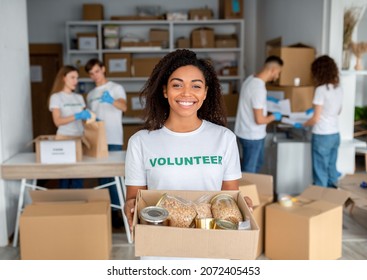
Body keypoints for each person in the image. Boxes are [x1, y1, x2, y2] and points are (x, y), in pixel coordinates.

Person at [124, 49, 252, 233]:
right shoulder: (140, 142)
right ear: (165, 91)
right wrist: (130, 207)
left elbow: (228, 198)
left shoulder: (224, 138)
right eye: (177, 85)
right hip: (160, 246)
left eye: (196, 86)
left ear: (205, 92)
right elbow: (135, 199)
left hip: (212, 246)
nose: (186, 93)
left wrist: (241, 205)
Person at [84, 58, 127, 228]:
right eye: (91, 73)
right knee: (102, 178)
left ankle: (119, 212)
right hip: (96, 140)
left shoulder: (115, 88)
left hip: (113, 137)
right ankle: (107, 210)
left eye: (97, 71)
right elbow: (90, 118)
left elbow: (123, 107)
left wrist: (111, 100)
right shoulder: (90, 94)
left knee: (115, 176)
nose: (95, 76)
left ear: (103, 69)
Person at [294, 55, 343, 188]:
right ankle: (333, 203)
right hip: (335, 134)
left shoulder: (320, 90)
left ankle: (321, 205)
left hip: (322, 135)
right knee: (331, 170)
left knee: (320, 172)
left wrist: (302, 124)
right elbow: (338, 111)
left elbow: (315, 119)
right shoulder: (338, 88)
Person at [234, 55, 284, 173]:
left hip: (244, 131)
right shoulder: (258, 88)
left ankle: (248, 189)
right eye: (279, 72)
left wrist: (266, 101)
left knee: (255, 165)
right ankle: (247, 191)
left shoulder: (250, 79)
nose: (278, 76)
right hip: (252, 136)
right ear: (273, 70)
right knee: (251, 169)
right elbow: (260, 120)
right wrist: (274, 116)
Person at [49, 65, 91, 188]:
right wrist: (77, 115)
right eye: (72, 77)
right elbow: (57, 121)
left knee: (78, 175)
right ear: (63, 78)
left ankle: (77, 206)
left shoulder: (78, 98)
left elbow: (84, 121)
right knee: (65, 176)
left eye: (77, 78)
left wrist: (90, 118)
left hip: (79, 138)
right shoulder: (56, 97)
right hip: (64, 138)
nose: (75, 81)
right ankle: (64, 205)